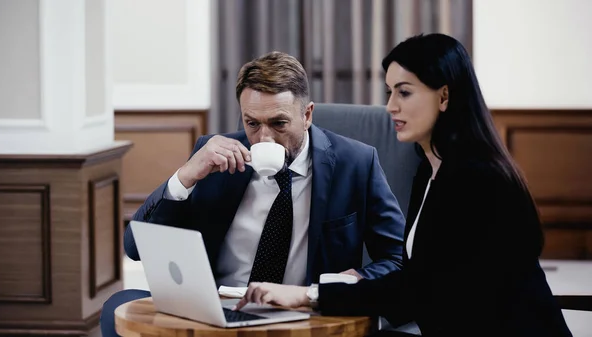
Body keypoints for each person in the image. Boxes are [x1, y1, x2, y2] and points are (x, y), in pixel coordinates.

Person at [234, 34, 573, 336]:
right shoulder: (430, 170)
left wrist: (308, 294)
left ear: (444, 96)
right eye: (390, 91)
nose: (390, 106)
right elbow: (415, 281)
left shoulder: (480, 179)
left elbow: (417, 290)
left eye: (405, 92)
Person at [99, 51, 407, 336]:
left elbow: (397, 260)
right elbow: (135, 247)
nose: (264, 137)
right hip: (216, 309)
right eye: (252, 123)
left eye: (279, 123)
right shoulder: (214, 158)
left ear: (308, 115)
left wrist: (338, 285)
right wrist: (185, 177)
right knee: (119, 305)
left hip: (301, 314)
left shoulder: (355, 163)